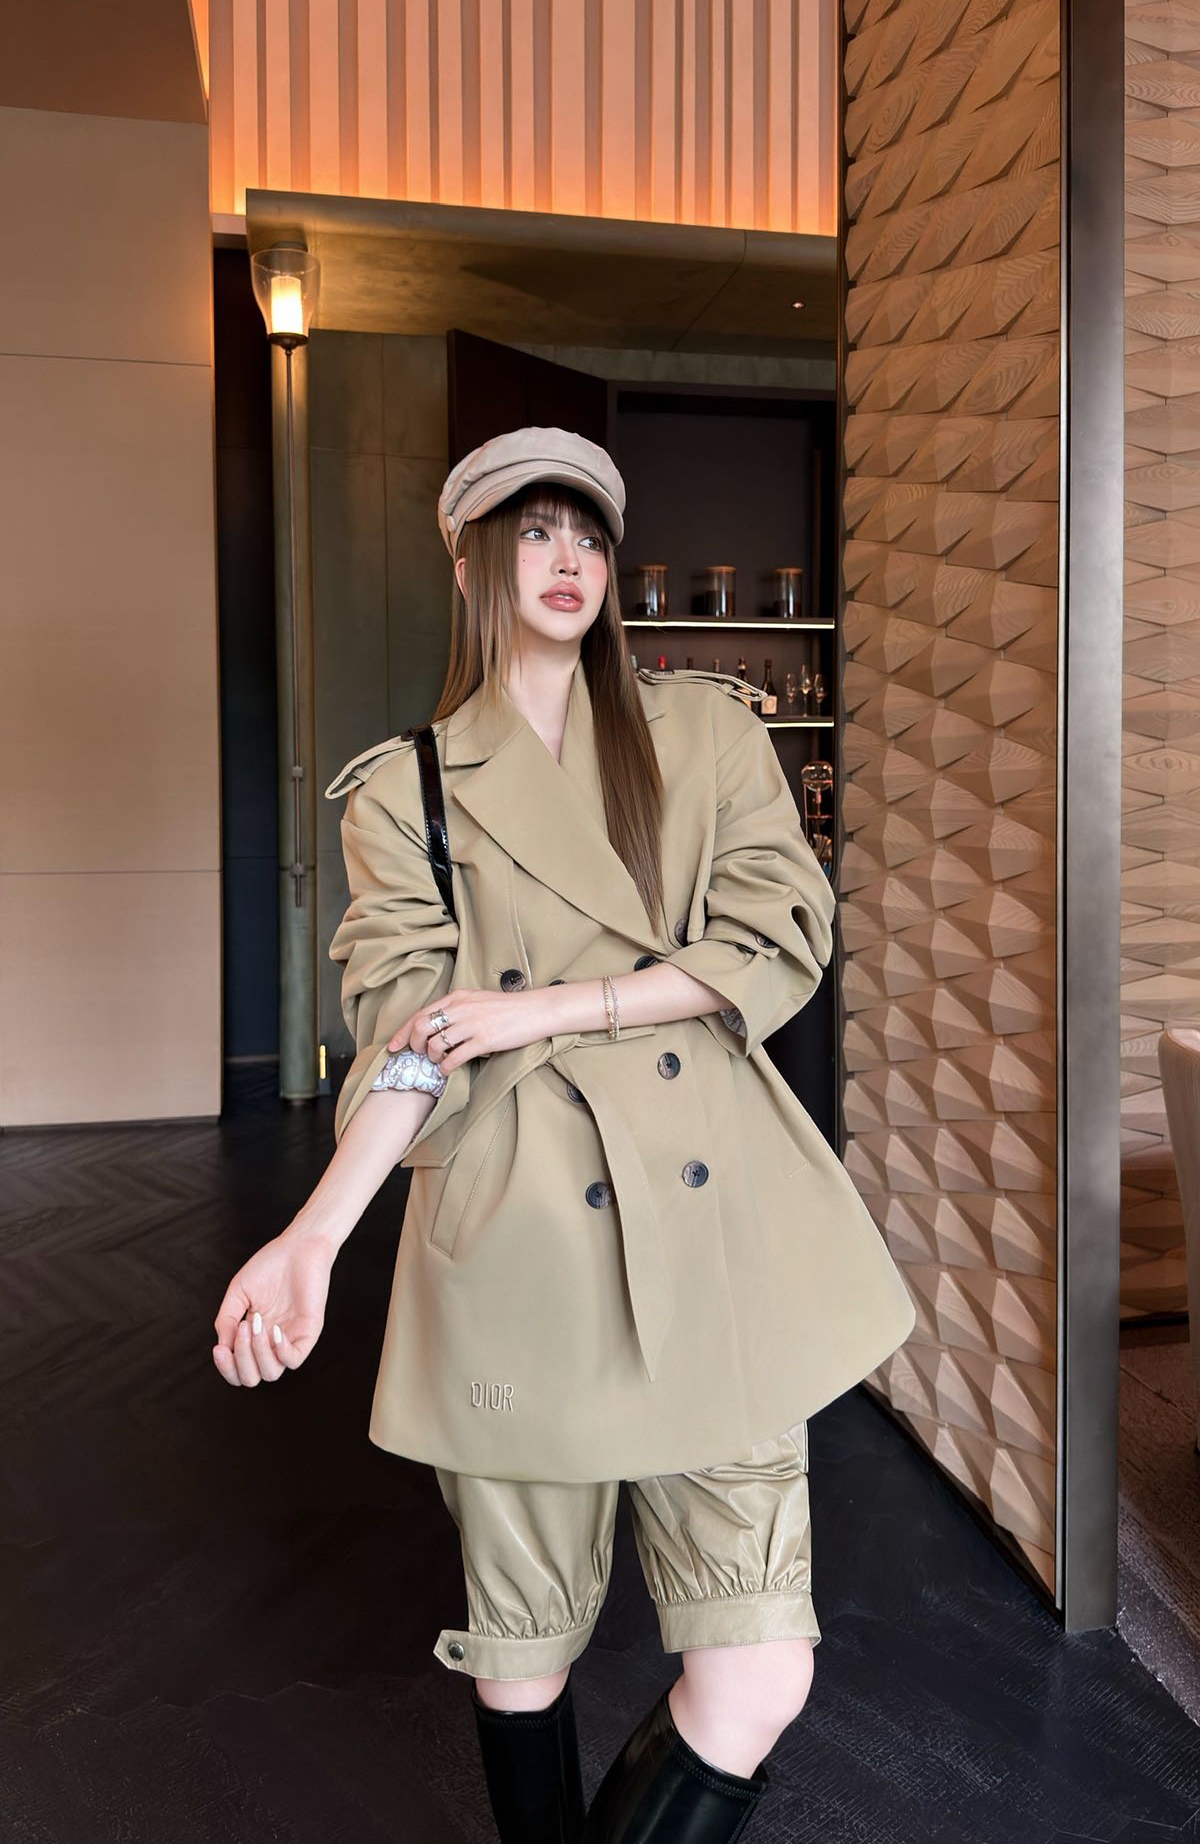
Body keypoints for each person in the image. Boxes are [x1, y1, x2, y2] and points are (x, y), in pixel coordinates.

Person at [212, 426, 917, 1842]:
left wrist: (546, 1008)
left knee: (761, 1672)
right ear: (469, 562)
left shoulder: (706, 732)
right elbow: (414, 1049)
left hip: (712, 1236)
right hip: (519, 1238)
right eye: (533, 531)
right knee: (524, 1651)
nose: (568, 560)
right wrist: (315, 1235)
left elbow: (777, 938)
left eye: (588, 534)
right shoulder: (406, 789)